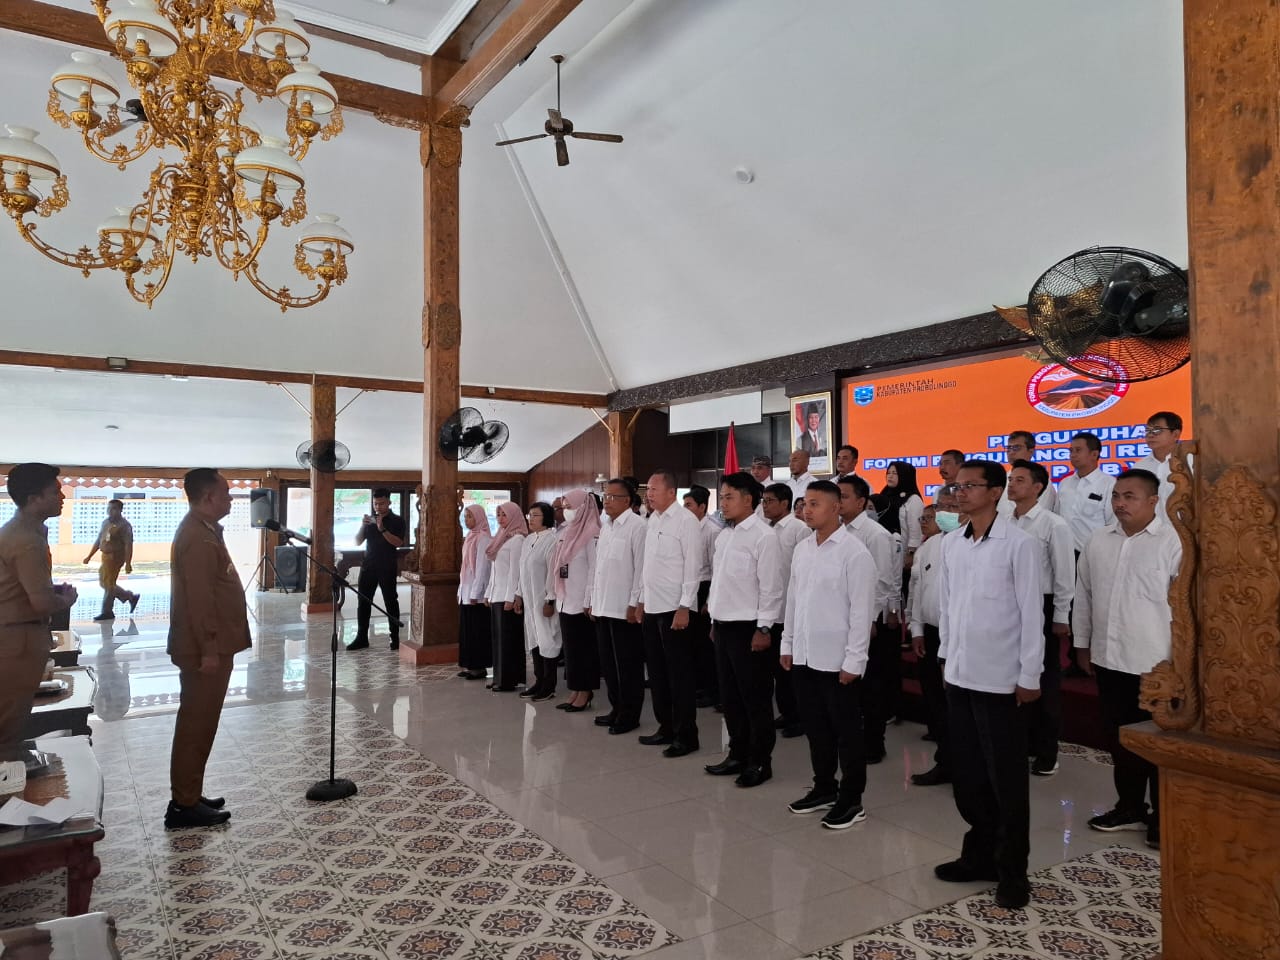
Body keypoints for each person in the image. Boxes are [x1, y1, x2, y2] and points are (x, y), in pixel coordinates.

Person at [934, 459, 1042, 909]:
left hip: (1001, 679)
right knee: (968, 776)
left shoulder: (1019, 545)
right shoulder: (952, 544)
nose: (959, 493)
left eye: (970, 486)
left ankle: (1013, 871)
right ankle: (977, 855)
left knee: (1006, 781)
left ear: (996, 492)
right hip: (960, 674)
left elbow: (1031, 614)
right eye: (956, 487)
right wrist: (945, 658)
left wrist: (1030, 675)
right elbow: (947, 606)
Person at [1074, 468, 1181, 849]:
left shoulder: (1173, 543)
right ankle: (1131, 807)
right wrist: (1083, 644)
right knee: (1121, 740)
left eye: (1129, 496)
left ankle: (1164, 816)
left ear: (1153, 501)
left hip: (1158, 664)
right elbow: (1084, 595)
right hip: (1109, 658)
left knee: (1159, 744)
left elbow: (1184, 608)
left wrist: (1182, 661)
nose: (1120, 503)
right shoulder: (1099, 540)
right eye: (1116, 496)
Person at [781, 480, 876, 829]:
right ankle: (824, 787)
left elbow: (861, 613)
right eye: (805, 503)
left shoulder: (854, 553)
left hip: (838, 661)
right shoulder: (803, 549)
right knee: (816, 728)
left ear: (836, 508)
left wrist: (854, 661)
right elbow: (793, 600)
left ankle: (852, 799)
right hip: (805, 655)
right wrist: (787, 644)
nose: (807, 510)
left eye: (815, 504)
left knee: (846, 732)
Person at [165, 468, 250, 829]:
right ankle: (183, 805)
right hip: (203, 649)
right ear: (208, 497)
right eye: (226, 492)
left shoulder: (205, 530)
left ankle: (190, 793)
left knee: (202, 723)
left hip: (210, 646)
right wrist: (209, 648)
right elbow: (199, 601)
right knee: (196, 725)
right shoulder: (197, 537)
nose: (230, 498)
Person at [704, 472, 783, 787]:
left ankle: (760, 762)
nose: (723, 503)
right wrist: (714, 621)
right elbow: (720, 583)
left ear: (748, 499)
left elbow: (771, 588)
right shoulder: (725, 536)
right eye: (722, 497)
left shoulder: (764, 536)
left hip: (750, 628)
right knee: (730, 697)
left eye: (729, 497)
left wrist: (763, 628)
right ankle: (737, 754)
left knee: (755, 699)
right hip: (723, 627)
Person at [0, 464, 76, 767]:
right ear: (34, 498)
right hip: (17, 641)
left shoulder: (20, 533)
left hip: (16, 636)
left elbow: (18, 587)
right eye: (55, 491)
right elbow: (41, 603)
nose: (62, 496)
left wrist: (50, 590)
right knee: (7, 730)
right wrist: (66, 599)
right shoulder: (26, 540)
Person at [1007, 460, 1074, 777]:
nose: (1012, 484)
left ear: (1038, 487)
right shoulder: (1004, 521)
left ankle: (1047, 751)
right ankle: (1022, 745)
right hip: (1010, 606)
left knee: (1044, 678)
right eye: (1011, 479)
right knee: (1015, 675)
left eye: (1020, 480)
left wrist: (1061, 614)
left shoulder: (1052, 524)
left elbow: (1064, 574)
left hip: (1042, 605)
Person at [636, 469, 704, 757]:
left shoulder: (686, 521)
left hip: (675, 610)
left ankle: (686, 735)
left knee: (679, 675)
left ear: (671, 492)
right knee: (658, 673)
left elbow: (693, 567)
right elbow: (647, 565)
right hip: (653, 606)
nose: (649, 494)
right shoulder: (653, 519)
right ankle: (665, 727)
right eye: (648, 489)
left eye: (654, 489)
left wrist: (685, 606)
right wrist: (641, 600)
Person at [836, 473, 899, 763]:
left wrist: (870, 620)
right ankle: (851, 738)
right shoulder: (837, 531)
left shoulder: (875, 534)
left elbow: (882, 583)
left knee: (871, 685)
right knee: (849, 686)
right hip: (843, 619)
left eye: (844, 496)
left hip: (867, 622)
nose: (838, 501)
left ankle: (874, 743)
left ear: (861, 502)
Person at [587, 479, 647, 735]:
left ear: (627, 500)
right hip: (603, 606)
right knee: (609, 664)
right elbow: (598, 567)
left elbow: (641, 569)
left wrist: (634, 603)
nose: (607, 501)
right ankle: (616, 707)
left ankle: (630, 715)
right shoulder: (606, 527)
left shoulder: (638, 527)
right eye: (605, 496)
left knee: (628, 665)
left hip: (624, 609)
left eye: (613, 496)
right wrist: (592, 600)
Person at [1055, 431, 1116, 675]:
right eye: (1070, 450)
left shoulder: (1109, 484)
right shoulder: (1065, 484)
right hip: (1065, 555)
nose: (1072, 455)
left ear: (1094, 454)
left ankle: (1098, 658)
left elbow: (1112, 523)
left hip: (1093, 556)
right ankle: (1075, 659)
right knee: (1070, 609)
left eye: (1078, 450)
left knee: (1095, 607)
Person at [761, 482, 809, 738]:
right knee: (775, 669)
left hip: (791, 609)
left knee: (790, 670)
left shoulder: (798, 529)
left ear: (784, 503)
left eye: (769, 501)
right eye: (763, 501)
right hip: (771, 611)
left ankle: (800, 717)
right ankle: (786, 712)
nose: (765, 506)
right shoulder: (765, 529)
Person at [907, 503, 949, 786]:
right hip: (932, 632)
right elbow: (917, 590)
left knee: (957, 704)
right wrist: (917, 628)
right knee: (935, 698)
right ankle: (946, 761)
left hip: (959, 635)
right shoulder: (929, 547)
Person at [549, 489, 600, 712]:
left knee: (584, 649)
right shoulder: (568, 532)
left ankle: (585, 691)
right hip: (565, 599)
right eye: (564, 507)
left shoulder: (592, 532)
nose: (566, 511)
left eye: (569, 507)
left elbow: (594, 570)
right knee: (571, 649)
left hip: (582, 603)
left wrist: (589, 599)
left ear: (582, 507)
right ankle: (575, 688)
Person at [347, 488, 405, 651]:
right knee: (363, 601)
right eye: (375, 504)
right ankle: (362, 637)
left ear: (389, 502)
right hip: (368, 566)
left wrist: (382, 529)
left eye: (381, 503)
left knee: (390, 601)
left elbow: (398, 543)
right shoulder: (370, 521)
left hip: (387, 566)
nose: (378, 507)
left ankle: (394, 638)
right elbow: (357, 542)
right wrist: (362, 526)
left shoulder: (398, 521)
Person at [515, 502, 561, 702]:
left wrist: (550, 600)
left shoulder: (553, 540)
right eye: (529, 515)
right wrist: (518, 594)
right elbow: (522, 570)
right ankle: (539, 681)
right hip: (529, 600)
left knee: (547, 641)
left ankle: (549, 686)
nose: (531, 519)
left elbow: (553, 573)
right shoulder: (528, 540)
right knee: (534, 640)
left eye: (535, 515)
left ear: (546, 518)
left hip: (543, 601)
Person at [683, 484, 721, 708]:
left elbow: (716, 569)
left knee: (706, 644)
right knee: (693, 643)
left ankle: (712, 690)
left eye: (689, 505)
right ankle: (699, 686)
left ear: (702, 507)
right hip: (691, 586)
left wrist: (708, 600)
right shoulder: (687, 528)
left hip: (706, 587)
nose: (685, 509)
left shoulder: (712, 531)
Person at [485, 502, 527, 691]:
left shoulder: (517, 539)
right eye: (498, 514)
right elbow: (495, 570)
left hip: (506, 597)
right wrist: (488, 592)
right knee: (497, 640)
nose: (501, 518)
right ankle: (499, 677)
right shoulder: (501, 537)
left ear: (514, 516)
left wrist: (511, 597)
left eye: (505, 515)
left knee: (508, 640)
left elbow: (515, 572)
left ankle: (508, 680)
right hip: (497, 595)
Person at [83, 499, 139, 621]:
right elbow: (99, 540)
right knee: (105, 583)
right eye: (109, 508)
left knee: (109, 584)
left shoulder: (124, 526)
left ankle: (107, 611)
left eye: (113, 509)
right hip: (105, 557)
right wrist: (89, 556)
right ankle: (129, 597)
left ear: (120, 510)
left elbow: (128, 545)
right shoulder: (105, 523)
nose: (110, 511)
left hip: (116, 557)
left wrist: (128, 563)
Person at [1133, 411, 1193, 521]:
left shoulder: (1191, 462)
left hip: (1186, 528)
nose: (1150, 435)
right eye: (1147, 431)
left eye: (1157, 430)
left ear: (1175, 434)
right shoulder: (1139, 468)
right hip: (1152, 530)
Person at [456, 504, 493, 681]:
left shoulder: (483, 538)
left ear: (478, 517)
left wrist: (475, 593)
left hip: (476, 596)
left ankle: (479, 667)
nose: (466, 520)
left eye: (470, 516)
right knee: (467, 631)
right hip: (466, 592)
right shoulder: (470, 537)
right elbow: (464, 568)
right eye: (465, 517)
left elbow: (482, 569)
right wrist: (461, 590)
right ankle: (469, 665)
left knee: (477, 631)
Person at [878, 461, 925, 573]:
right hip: (884, 550)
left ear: (904, 476)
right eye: (888, 472)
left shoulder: (913, 499)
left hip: (903, 552)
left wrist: (911, 553)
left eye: (895, 473)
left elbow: (916, 530)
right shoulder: (884, 495)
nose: (890, 476)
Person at [998, 431, 1058, 514]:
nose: (1011, 452)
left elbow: (1040, 515)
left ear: (1031, 451)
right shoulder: (1001, 479)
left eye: (1017, 448)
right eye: (1009, 448)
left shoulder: (1041, 481)